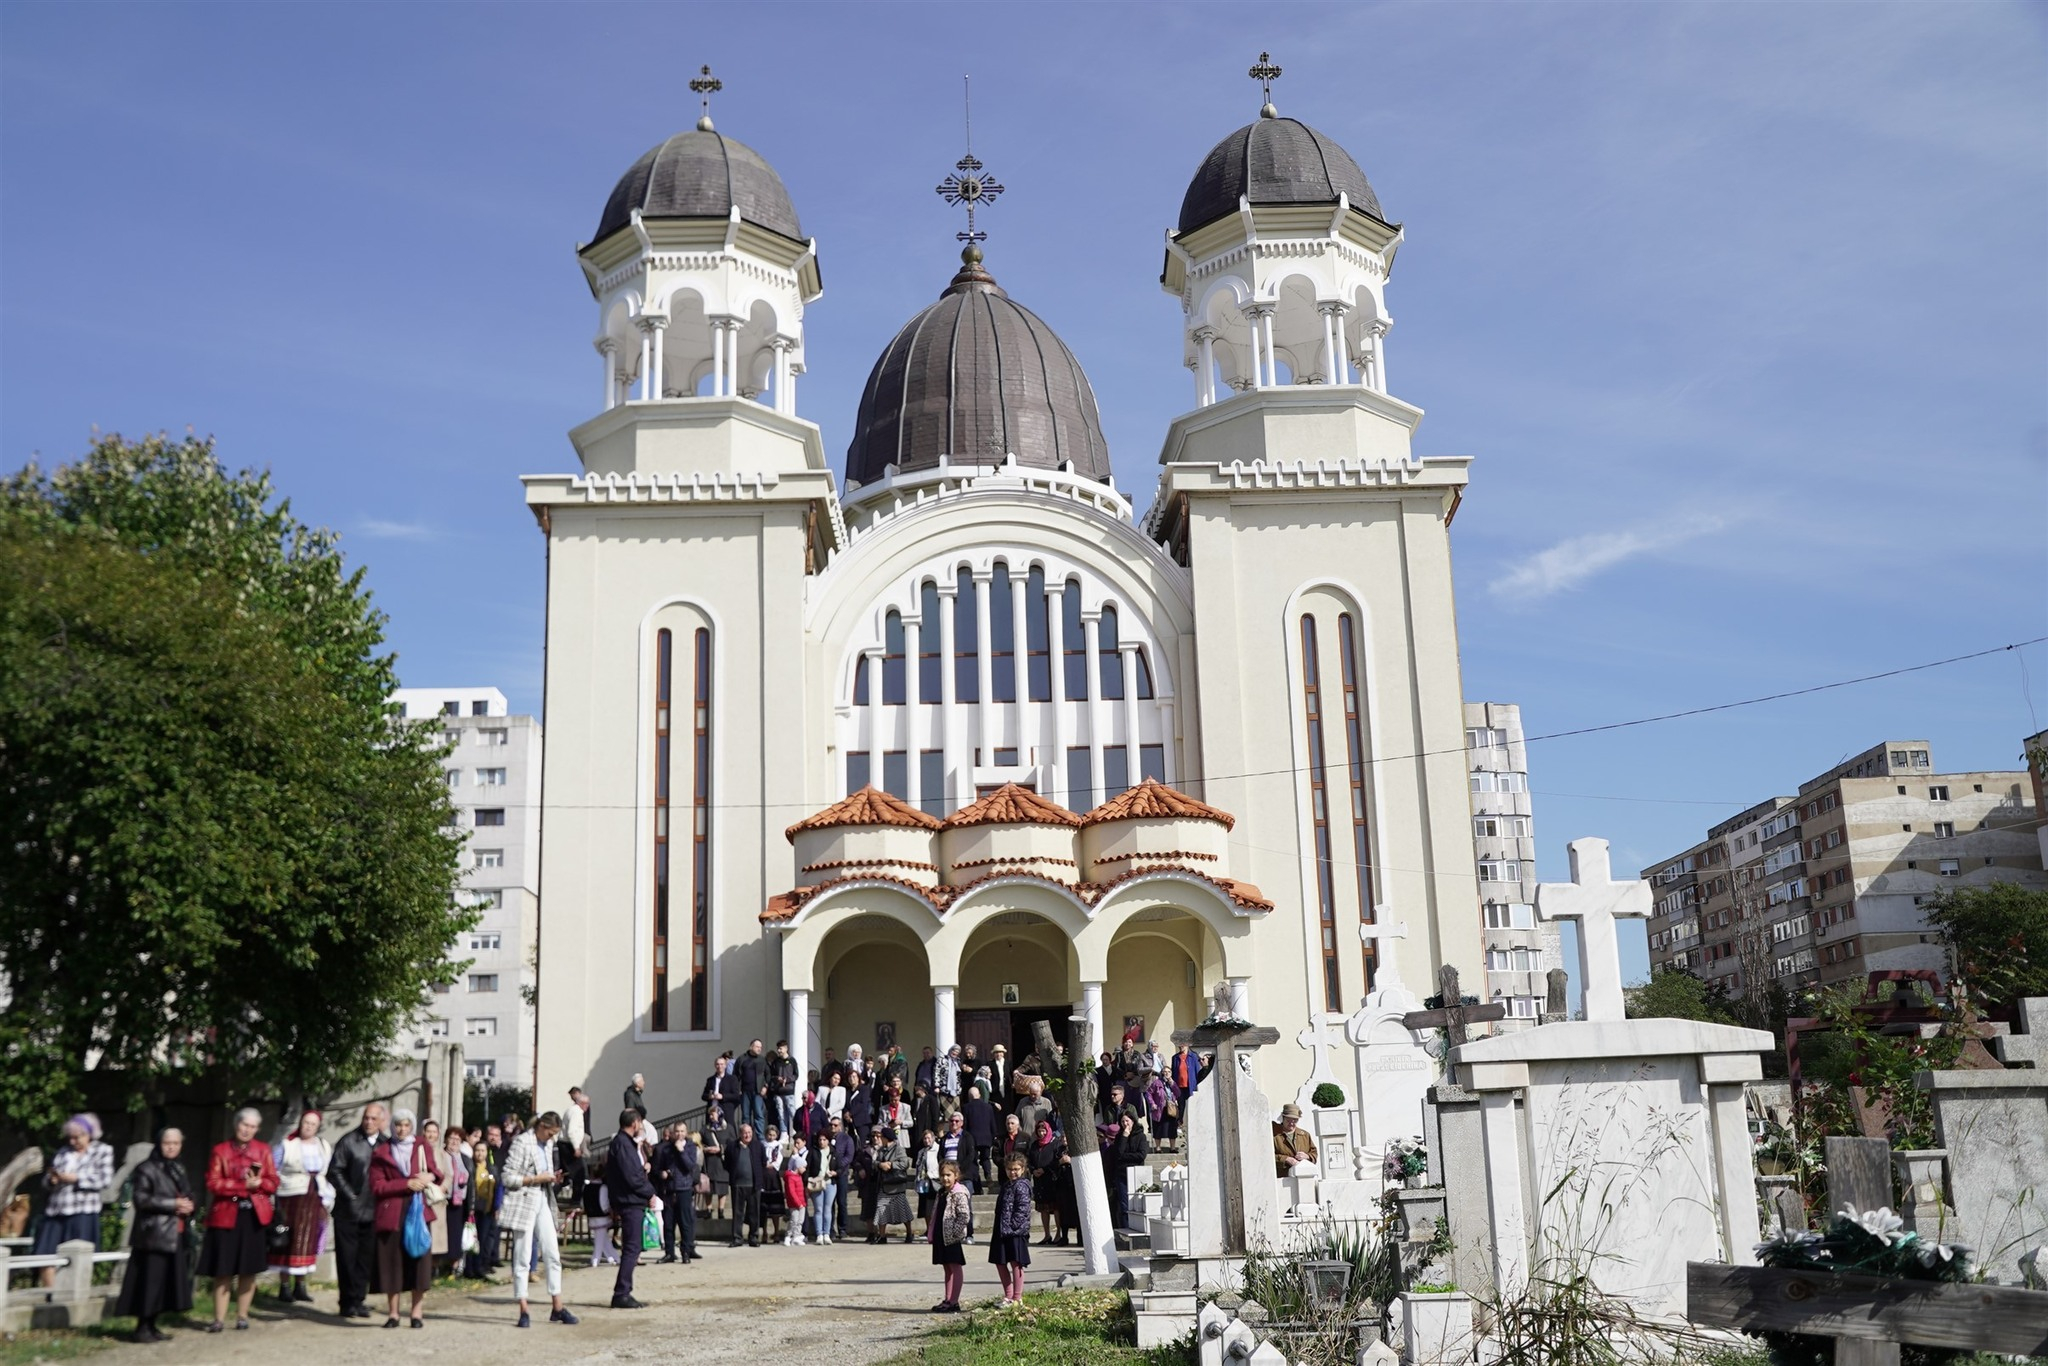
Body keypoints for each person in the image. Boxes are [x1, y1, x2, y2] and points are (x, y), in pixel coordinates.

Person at [200, 1107, 278, 1332]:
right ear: (236, 1125)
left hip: (253, 1216)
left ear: (257, 1129)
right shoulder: (220, 1150)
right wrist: (242, 1185)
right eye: (244, 1125)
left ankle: (242, 1316)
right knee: (223, 1270)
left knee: (248, 1269)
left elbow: (273, 1181)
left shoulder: (263, 1150)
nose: (247, 1130)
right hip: (226, 1215)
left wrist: (260, 1183)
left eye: (252, 1127)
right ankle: (218, 1319)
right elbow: (213, 1183)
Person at [115, 1128, 196, 1342]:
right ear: (159, 1144)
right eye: (167, 1143)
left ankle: (153, 1324)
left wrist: (190, 1205)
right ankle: (142, 1327)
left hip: (175, 1233)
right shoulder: (146, 1168)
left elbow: (187, 1194)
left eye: (176, 1143)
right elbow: (141, 1199)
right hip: (153, 1235)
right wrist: (173, 1204)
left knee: (164, 1283)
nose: (171, 1147)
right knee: (149, 1282)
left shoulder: (178, 1168)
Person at [500, 1111, 578, 1329]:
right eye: (551, 1133)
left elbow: (545, 1173)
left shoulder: (547, 1145)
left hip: (543, 1197)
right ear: (542, 1126)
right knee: (522, 1255)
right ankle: (523, 1308)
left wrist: (552, 1178)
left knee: (552, 1253)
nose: (552, 1137)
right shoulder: (522, 1142)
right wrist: (536, 1178)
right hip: (524, 1200)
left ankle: (557, 1306)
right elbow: (507, 1177)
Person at [369, 1108, 442, 1329]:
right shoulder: (382, 1151)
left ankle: (416, 1313)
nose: (402, 1129)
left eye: (406, 1125)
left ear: (412, 1126)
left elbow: (436, 1173)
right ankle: (393, 1314)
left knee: (419, 1262)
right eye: (398, 1125)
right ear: (392, 1126)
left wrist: (429, 1176)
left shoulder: (421, 1146)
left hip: (418, 1211)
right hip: (391, 1213)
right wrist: (406, 1184)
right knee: (392, 1262)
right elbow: (377, 1186)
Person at [35, 1117, 114, 1288]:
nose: (73, 1142)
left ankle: (73, 1295)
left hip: (83, 1211)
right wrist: (52, 1180)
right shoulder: (63, 1152)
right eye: (70, 1138)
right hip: (56, 1210)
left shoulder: (103, 1151)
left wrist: (76, 1179)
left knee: (78, 1256)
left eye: (77, 1137)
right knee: (45, 1254)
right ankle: (51, 1294)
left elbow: (105, 1180)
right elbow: (46, 1181)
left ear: (89, 1135)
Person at [328, 1103, 384, 1319]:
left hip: (374, 1210)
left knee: (365, 1259)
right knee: (347, 1258)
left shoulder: (385, 1143)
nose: (369, 1122)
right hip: (348, 1211)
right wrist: (350, 1194)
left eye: (373, 1118)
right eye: (366, 1118)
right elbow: (334, 1170)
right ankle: (347, 1301)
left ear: (381, 1121)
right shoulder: (349, 1141)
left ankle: (359, 1299)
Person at [269, 1109, 333, 1300]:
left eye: (313, 1124)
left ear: (317, 1127)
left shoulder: (323, 1145)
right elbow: (273, 1169)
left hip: (313, 1197)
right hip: (290, 1197)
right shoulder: (287, 1145)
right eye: (306, 1123)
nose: (308, 1127)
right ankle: (284, 1286)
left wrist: (327, 1196)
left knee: (306, 1241)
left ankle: (301, 1286)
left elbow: (326, 1171)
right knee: (288, 1239)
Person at [604, 1110, 654, 1308]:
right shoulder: (623, 1144)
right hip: (629, 1201)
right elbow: (632, 1177)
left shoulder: (624, 1143)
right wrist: (650, 1193)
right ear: (634, 1123)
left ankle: (623, 1291)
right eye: (640, 1123)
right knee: (632, 1248)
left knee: (633, 1247)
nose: (641, 1127)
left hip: (630, 1199)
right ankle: (622, 1293)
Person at [652, 1123, 700, 1263]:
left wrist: (681, 1151)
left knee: (685, 1223)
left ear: (686, 1132)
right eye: (677, 1131)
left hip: (684, 1189)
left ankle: (686, 1251)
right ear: (673, 1133)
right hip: (669, 1190)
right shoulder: (666, 1148)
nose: (679, 1134)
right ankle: (669, 1253)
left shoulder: (690, 1147)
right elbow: (658, 1167)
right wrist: (662, 1173)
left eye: (682, 1131)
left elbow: (689, 1166)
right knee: (668, 1223)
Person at [989, 1152, 1033, 1305]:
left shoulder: (1022, 1186)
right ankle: (1008, 1295)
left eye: (1016, 1169)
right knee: (1000, 1262)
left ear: (1023, 1169)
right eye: (1009, 1169)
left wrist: (1013, 1225)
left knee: (1016, 1262)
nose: (1012, 1172)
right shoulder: (1006, 1185)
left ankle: (1017, 1297)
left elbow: (1023, 1209)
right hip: (1001, 1230)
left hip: (1015, 1232)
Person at [928, 1161, 970, 1314]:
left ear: (956, 1175)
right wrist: (931, 1232)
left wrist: (955, 1232)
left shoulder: (959, 1193)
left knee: (955, 1266)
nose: (945, 1178)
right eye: (942, 1175)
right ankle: (947, 1299)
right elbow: (936, 1213)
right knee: (946, 1267)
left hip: (951, 1236)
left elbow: (964, 1216)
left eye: (948, 1175)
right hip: (941, 1235)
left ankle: (954, 1301)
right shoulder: (941, 1192)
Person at [465, 1122, 501, 1277]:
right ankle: (470, 1268)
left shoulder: (492, 1169)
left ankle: (482, 1266)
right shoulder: (471, 1167)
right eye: (477, 1150)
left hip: (488, 1209)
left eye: (482, 1150)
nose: (480, 1153)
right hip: (474, 1208)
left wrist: (497, 1207)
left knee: (485, 1239)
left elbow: (498, 1188)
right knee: (473, 1239)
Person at [725, 1121, 768, 1248]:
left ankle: (753, 1237)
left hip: (754, 1185)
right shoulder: (732, 1146)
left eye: (749, 1132)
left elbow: (763, 1162)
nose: (747, 1135)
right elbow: (727, 1164)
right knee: (737, 1213)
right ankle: (737, 1238)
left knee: (754, 1213)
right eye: (745, 1133)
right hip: (737, 1185)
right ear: (740, 1134)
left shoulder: (758, 1146)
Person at [871, 1125, 917, 1244]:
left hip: (897, 1186)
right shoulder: (881, 1150)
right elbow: (874, 1162)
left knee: (903, 1212)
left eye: (881, 1136)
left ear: (886, 1138)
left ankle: (909, 1233)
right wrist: (880, 1165)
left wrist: (891, 1165)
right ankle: (882, 1236)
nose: (879, 1138)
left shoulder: (899, 1149)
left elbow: (905, 1163)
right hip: (884, 1185)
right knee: (881, 1210)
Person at [1105, 1112, 1147, 1236]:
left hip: (1136, 1174)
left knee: (1137, 1205)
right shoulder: (1120, 1137)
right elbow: (1118, 1153)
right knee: (1124, 1206)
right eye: (1123, 1121)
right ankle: (1126, 1230)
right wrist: (1124, 1136)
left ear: (1133, 1121)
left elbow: (1141, 1155)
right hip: (1122, 1175)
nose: (1125, 1124)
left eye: (1127, 1121)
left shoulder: (1141, 1136)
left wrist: (1125, 1156)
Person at [437, 1125, 470, 1279]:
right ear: (445, 1139)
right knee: (441, 1234)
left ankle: (454, 1267)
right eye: (452, 1138)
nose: (455, 1141)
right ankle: (438, 1266)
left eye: (458, 1139)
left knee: (455, 1235)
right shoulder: (441, 1155)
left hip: (459, 1201)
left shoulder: (464, 1158)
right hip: (443, 1200)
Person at [1029, 1120, 1066, 1246]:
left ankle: (1058, 1234)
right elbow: (1030, 1160)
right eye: (1039, 1131)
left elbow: (1056, 1161)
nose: (1041, 1133)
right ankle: (1047, 1235)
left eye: (1043, 1131)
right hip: (1039, 1181)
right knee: (1043, 1209)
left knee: (1055, 1208)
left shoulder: (1055, 1144)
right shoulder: (1034, 1145)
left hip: (1052, 1179)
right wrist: (1033, 1170)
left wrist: (1045, 1169)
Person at [802, 1130, 836, 1247]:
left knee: (828, 1209)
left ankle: (827, 1234)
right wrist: (808, 1181)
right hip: (816, 1183)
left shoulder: (833, 1151)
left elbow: (840, 1166)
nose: (822, 1142)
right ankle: (819, 1234)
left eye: (824, 1140)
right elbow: (807, 1167)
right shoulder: (813, 1151)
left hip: (830, 1183)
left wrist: (835, 1172)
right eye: (820, 1139)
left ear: (828, 1140)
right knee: (818, 1209)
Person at [962, 1083, 999, 1189]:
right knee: (985, 1158)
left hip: (972, 1138)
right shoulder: (988, 1107)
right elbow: (992, 1123)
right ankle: (988, 1175)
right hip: (986, 1138)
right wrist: (993, 1136)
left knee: (973, 1161)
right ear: (979, 1095)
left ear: (969, 1096)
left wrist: (965, 1138)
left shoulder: (966, 1107)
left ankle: (976, 1182)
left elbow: (965, 1124)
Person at [700, 1104, 728, 1223]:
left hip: (722, 1162)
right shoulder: (705, 1129)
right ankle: (709, 1209)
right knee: (709, 1187)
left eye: (713, 1114)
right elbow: (699, 1143)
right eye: (710, 1114)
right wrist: (706, 1149)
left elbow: (732, 1144)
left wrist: (720, 1148)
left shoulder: (728, 1128)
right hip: (709, 1162)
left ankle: (721, 1210)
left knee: (722, 1187)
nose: (711, 1116)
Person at [1273, 1103, 1319, 1177]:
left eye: (1295, 1120)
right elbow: (1267, 1156)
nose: (1291, 1123)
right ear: (1283, 1118)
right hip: (1283, 1178)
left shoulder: (1305, 1135)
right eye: (1288, 1120)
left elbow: (1314, 1153)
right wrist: (1285, 1159)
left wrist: (1307, 1156)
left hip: (1303, 1176)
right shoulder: (1274, 1135)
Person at [561, 1088, 591, 1198]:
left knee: (567, 1173)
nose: (587, 1106)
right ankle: (576, 1200)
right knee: (579, 1173)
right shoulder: (577, 1112)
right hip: (569, 1145)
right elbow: (572, 1131)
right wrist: (576, 1147)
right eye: (586, 1104)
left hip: (566, 1144)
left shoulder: (572, 1110)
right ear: (582, 1103)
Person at [736, 1039, 767, 1134]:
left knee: (759, 1115)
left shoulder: (762, 1060)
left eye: (760, 1047)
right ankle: (745, 1135)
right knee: (746, 1116)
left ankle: (760, 1137)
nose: (759, 1049)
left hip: (758, 1092)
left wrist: (765, 1086)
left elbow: (768, 1075)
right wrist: (738, 1088)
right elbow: (736, 1075)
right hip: (745, 1092)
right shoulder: (742, 1059)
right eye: (757, 1047)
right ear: (751, 1047)